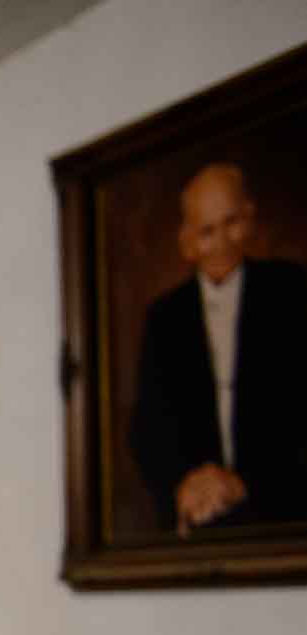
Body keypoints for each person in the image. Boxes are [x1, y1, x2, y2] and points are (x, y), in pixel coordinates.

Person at [129, 162, 307, 535]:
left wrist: (245, 484)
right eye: (208, 231)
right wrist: (183, 486)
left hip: (286, 515)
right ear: (187, 242)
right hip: (198, 524)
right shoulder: (164, 318)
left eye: (232, 223)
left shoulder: (294, 292)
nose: (223, 242)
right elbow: (149, 430)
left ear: (251, 219)